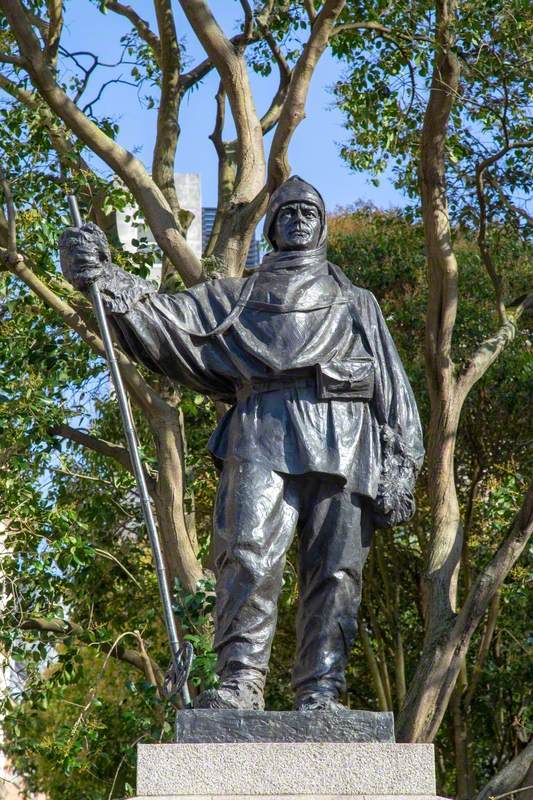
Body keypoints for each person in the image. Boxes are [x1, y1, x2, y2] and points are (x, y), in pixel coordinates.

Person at [59, 176, 423, 712]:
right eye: (288, 212)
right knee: (247, 556)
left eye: (309, 212)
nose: (298, 219)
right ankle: (240, 682)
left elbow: (394, 389)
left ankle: (322, 689)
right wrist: (104, 276)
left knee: (337, 569)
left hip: (346, 441)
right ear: (271, 227)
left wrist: (401, 464)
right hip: (261, 430)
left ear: (322, 225)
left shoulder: (356, 302)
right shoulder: (237, 298)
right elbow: (167, 318)